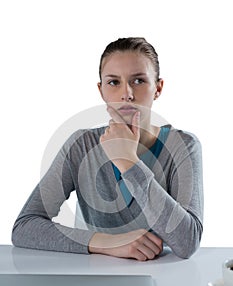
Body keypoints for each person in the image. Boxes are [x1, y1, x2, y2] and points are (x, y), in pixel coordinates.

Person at [12, 37, 204, 260]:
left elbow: (188, 241)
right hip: (94, 278)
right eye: (114, 82)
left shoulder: (183, 147)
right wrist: (108, 244)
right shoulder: (81, 145)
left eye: (139, 81)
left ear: (158, 88)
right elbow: (25, 226)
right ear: (101, 90)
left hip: (163, 278)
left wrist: (128, 161)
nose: (127, 94)